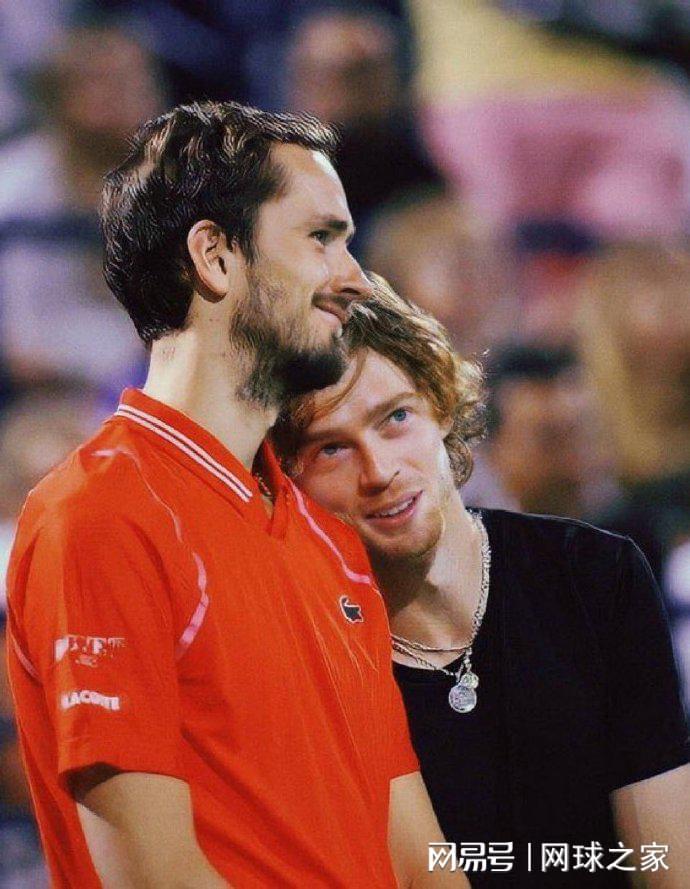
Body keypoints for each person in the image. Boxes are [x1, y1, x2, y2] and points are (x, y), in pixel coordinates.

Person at [6, 103, 466, 888]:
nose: (355, 279)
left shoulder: (330, 544)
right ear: (215, 257)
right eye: (321, 238)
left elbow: (422, 863)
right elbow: (154, 877)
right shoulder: (100, 516)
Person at [273, 274, 690, 887]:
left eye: (395, 418)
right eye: (330, 449)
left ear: (441, 406)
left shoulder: (595, 574)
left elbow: (667, 864)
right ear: (290, 480)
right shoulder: (313, 650)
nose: (380, 470)